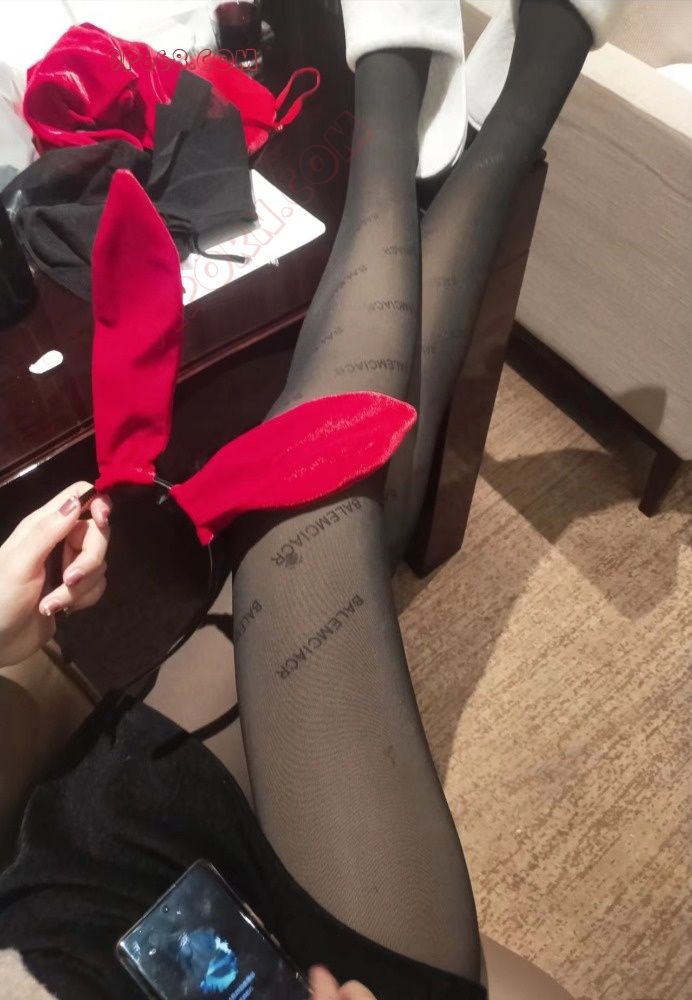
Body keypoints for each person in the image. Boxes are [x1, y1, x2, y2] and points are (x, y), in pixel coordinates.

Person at [0, 1, 625, 997]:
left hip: (99, 880)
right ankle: (430, 113)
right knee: (326, 504)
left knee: (328, 501)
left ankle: (433, 118)